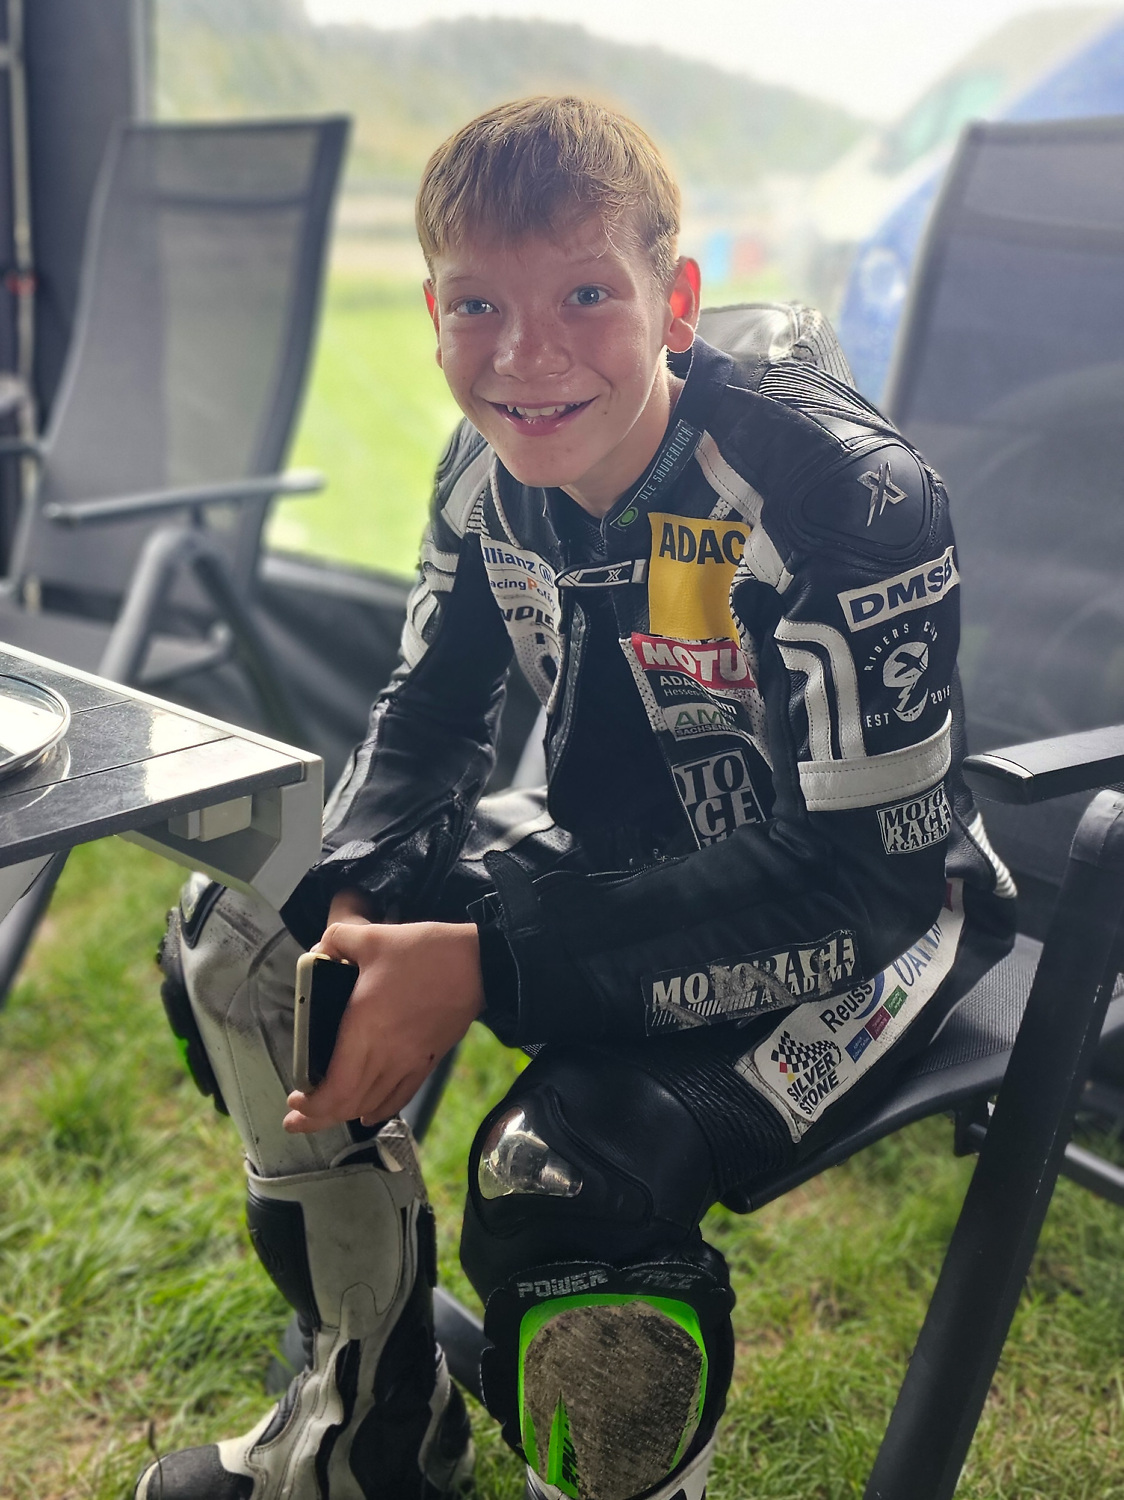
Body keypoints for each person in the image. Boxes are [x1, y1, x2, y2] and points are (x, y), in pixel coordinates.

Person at [135, 95, 1016, 1500]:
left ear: (678, 301)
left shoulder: (845, 493)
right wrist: (357, 888)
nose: (524, 355)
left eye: (585, 296)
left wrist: (484, 965)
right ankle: (369, 1426)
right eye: (477, 305)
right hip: (617, 856)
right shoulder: (484, 469)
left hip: (879, 917)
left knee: (566, 1177)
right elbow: (430, 720)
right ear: (433, 314)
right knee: (248, 938)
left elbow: (868, 880)